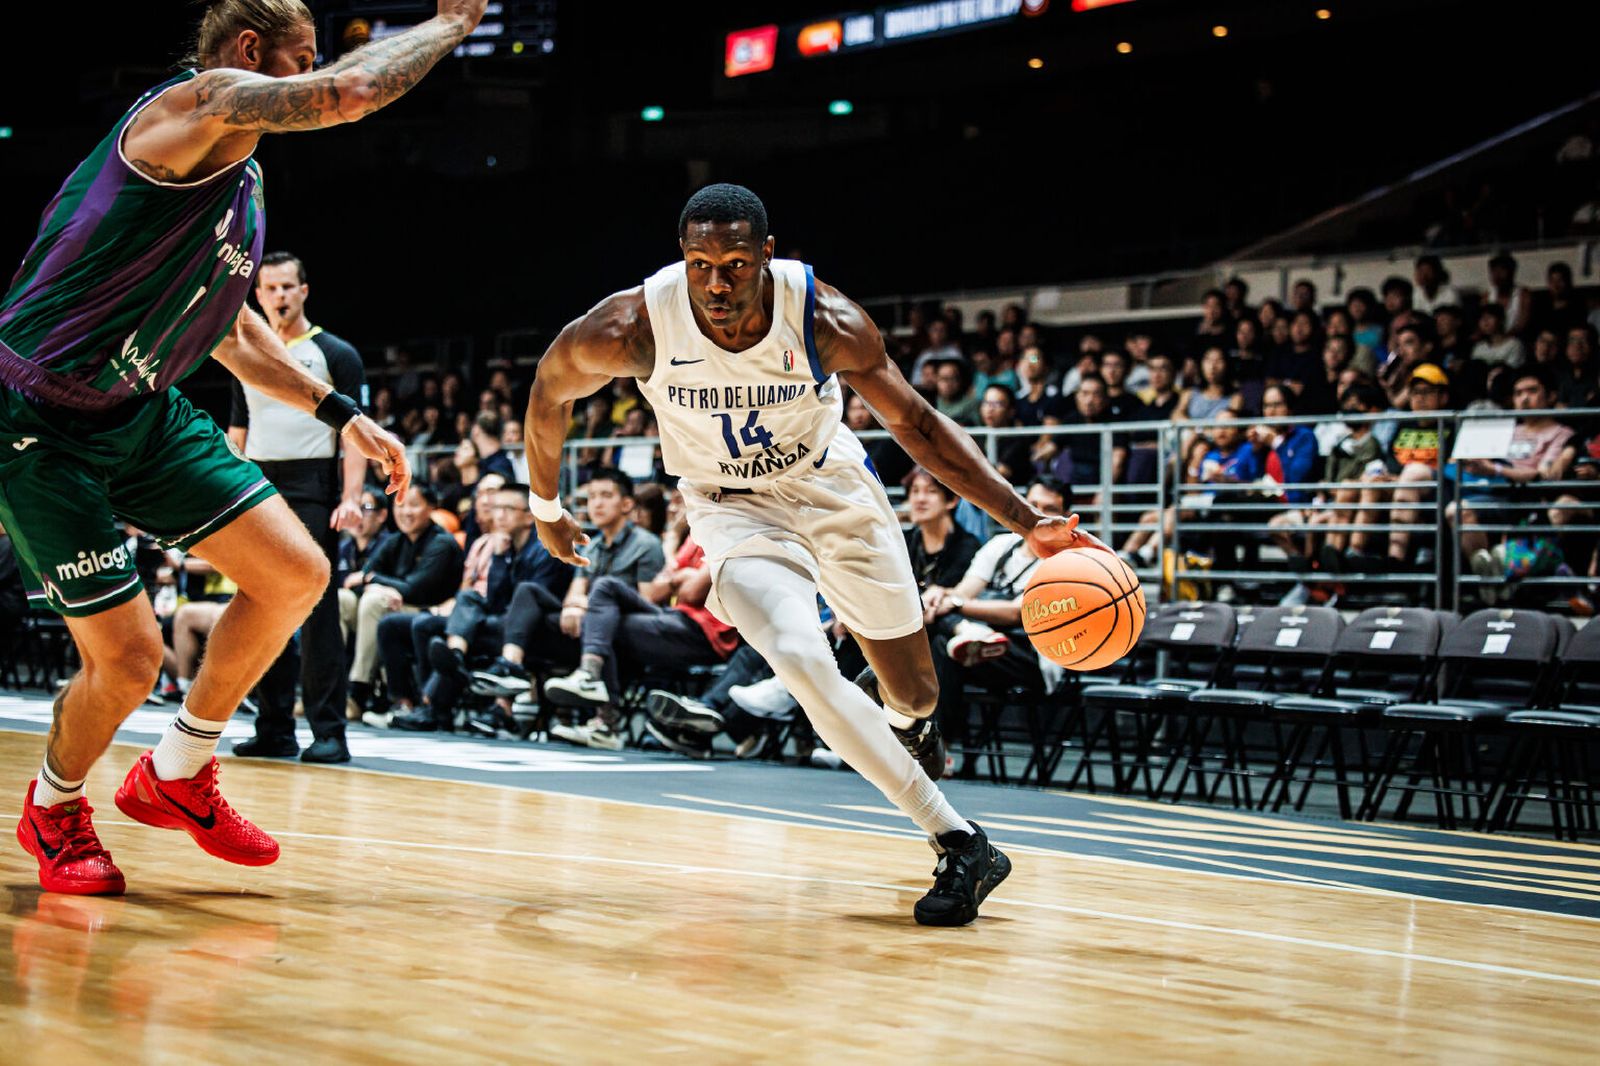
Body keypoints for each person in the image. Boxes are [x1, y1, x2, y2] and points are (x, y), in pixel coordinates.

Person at [0, 0, 479, 896]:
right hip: (40, 420)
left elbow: (236, 334)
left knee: (296, 574)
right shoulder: (196, 108)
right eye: (298, 58)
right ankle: (55, 805)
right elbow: (352, 91)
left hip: (139, 408)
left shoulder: (241, 178)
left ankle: (177, 773)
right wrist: (449, 27)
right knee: (131, 658)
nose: (305, 75)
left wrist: (342, 411)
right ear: (253, 53)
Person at [522, 184, 1097, 926]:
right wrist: (544, 507)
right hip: (732, 510)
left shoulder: (823, 318)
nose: (717, 282)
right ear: (681, 258)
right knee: (798, 654)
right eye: (699, 263)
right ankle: (961, 842)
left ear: (767, 254)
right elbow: (546, 390)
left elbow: (918, 425)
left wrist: (1024, 521)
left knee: (916, 693)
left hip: (833, 489)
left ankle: (909, 721)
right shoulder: (632, 326)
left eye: (733, 262)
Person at [226, 251, 367, 764]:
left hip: (312, 484)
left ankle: (329, 731)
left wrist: (350, 497)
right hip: (258, 481)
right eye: (270, 289)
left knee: (316, 609)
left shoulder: (336, 353)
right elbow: (236, 434)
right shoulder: (246, 354)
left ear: (304, 291)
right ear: (257, 295)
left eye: (288, 287)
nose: (279, 296)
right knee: (261, 604)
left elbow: (354, 436)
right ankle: (274, 728)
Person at [386, 483, 571, 733]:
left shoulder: (548, 549)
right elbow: (494, 600)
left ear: (529, 517)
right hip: (502, 622)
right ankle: (455, 658)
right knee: (453, 608)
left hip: (540, 631)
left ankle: (436, 705)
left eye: (508, 508)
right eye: (497, 508)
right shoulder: (506, 548)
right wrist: (497, 558)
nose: (499, 515)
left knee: (471, 622)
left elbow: (530, 604)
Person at [341, 484, 464, 715]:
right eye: (401, 505)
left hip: (429, 612)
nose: (406, 512)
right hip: (393, 607)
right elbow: (354, 582)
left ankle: (358, 691)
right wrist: (378, 585)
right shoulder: (395, 541)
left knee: (373, 603)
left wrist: (375, 580)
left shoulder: (442, 544)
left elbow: (414, 589)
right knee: (342, 599)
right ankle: (330, 686)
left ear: (431, 508)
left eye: (414, 505)